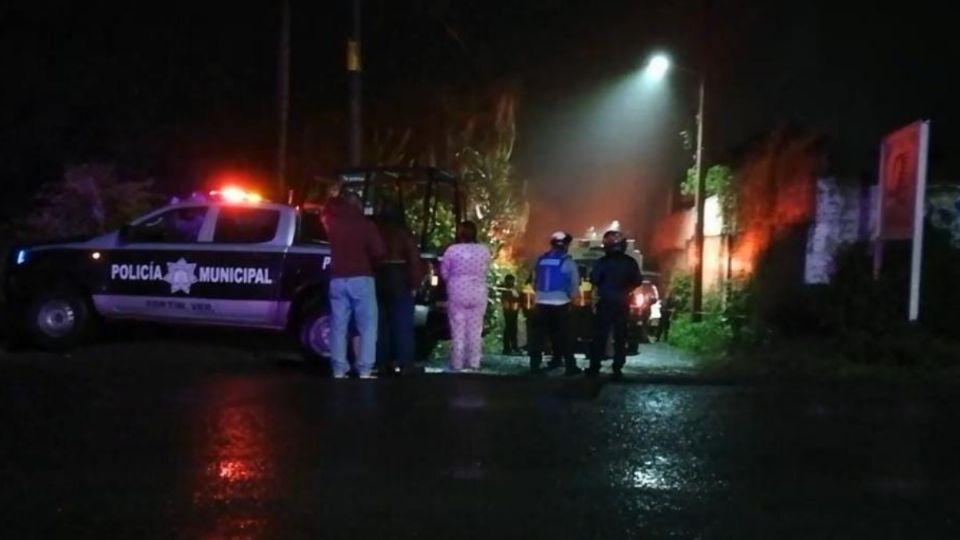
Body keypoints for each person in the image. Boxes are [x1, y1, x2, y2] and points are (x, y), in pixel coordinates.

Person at [322, 191, 385, 379]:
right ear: (357, 205)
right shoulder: (365, 225)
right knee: (367, 325)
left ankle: (339, 368)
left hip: (337, 279)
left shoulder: (332, 224)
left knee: (338, 325)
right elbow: (379, 251)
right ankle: (365, 368)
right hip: (361, 278)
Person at [374, 200, 425, 376]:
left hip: (378, 279)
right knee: (403, 324)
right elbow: (414, 261)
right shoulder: (404, 235)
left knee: (381, 324)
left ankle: (382, 363)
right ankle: (405, 364)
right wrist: (415, 284)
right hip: (400, 280)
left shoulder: (376, 232)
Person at [587, 230, 642, 379]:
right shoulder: (630, 262)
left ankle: (595, 366)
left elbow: (594, 279)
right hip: (623, 303)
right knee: (620, 336)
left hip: (605, 302)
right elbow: (637, 281)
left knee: (600, 336)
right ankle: (617, 366)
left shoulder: (602, 263)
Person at [440, 221, 491, 372]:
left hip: (457, 292)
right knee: (476, 329)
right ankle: (474, 363)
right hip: (478, 292)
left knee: (458, 328)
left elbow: (444, 272)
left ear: (459, 234)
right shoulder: (484, 250)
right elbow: (486, 270)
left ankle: (457, 364)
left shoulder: (452, 250)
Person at [529, 231, 581, 376]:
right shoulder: (568, 261)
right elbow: (574, 285)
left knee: (539, 336)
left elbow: (534, 282)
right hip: (560, 304)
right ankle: (570, 366)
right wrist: (574, 299)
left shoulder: (540, 260)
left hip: (541, 303)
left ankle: (535, 366)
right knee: (564, 335)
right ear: (565, 245)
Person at [499, 274, 521, 355]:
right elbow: (505, 302)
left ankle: (514, 347)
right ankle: (507, 348)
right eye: (511, 280)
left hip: (514, 311)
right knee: (509, 329)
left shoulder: (513, 290)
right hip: (509, 312)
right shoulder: (506, 290)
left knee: (513, 329)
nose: (512, 282)